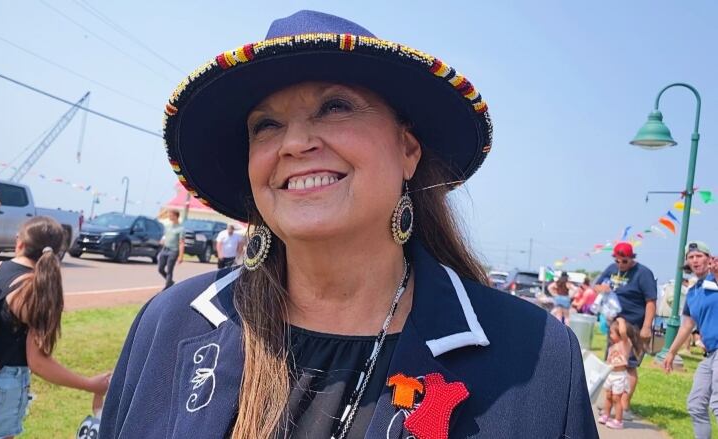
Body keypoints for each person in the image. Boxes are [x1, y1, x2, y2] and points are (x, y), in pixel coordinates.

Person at [100, 10, 597, 438]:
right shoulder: (169, 323)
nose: (294, 143)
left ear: (407, 150)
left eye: (334, 107)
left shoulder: (538, 357)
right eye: (265, 125)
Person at [0, 216, 111, 439]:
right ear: (57, 251)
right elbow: (38, 361)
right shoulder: (35, 288)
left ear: (19, 243)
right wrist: (89, 384)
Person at [594, 241, 657, 418]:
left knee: (629, 365)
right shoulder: (612, 269)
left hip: (634, 325)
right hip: (615, 323)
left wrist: (646, 327)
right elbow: (596, 285)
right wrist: (602, 288)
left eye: (625, 261)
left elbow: (651, 301)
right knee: (613, 361)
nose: (621, 264)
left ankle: (624, 405)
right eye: (618, 261)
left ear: (632, 258)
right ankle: (610, 400)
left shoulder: (643, 273)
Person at [664, 241, 718, 439]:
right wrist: (671, 352)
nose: (695, 260)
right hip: (710, 353)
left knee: (717, 404)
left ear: (709, 258)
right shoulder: (694, 292)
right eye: (691, 257)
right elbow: (687, 325)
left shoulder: (715, 279)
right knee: (695, 405)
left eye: (699, 255)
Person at [598, 317, 645, 430]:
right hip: (611, 374)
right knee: (608, 396)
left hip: (619, 376)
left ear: (620, 334)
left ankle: (618, 421)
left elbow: (623, 331)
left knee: (616, 398)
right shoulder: (612, 347)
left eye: (612, 333)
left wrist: (621, 321)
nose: (610, 335)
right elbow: (609, 361)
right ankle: (606, 415)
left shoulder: (625, 344)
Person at [158, 210, 185, 289]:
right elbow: (165, 236)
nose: (169, 216)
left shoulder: (181, 229)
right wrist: (162, 240)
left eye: (171, 215)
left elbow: (181, 243)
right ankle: (170, 281)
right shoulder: (168, 226)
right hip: (164, 250)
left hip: (173, 251)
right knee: (160, 268)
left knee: (169, 269)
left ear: (176, 216)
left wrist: (181, 256)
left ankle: (167, 287)